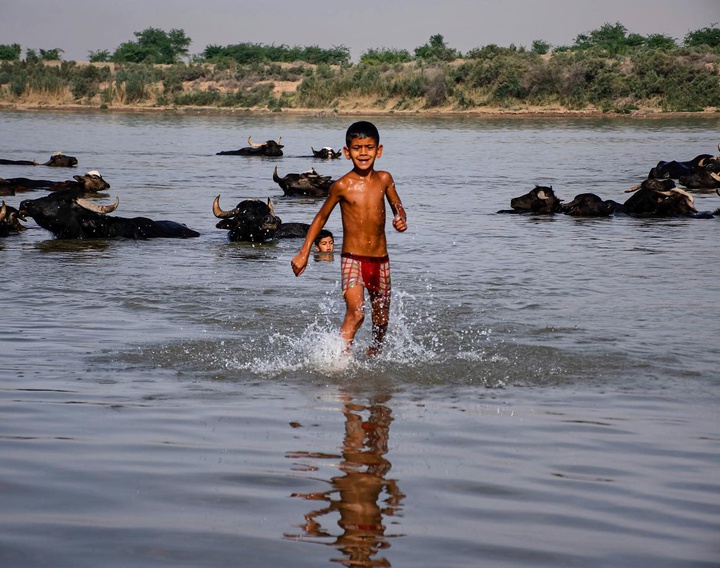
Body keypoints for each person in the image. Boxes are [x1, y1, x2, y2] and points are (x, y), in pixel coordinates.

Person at [291, 120, 407, 356]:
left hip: (380, 261)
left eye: (369, 147)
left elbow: (397, 204)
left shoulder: (385, 179)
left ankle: (374, 353)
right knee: (356, 313)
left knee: (381, 319)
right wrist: (303, 253)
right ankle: (339, 362)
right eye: (357, 148)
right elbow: (321, 217)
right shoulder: (341, 185)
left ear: (379, 150)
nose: (363, 153)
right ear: (346, 152)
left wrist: (400, 216)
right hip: (352, 259)